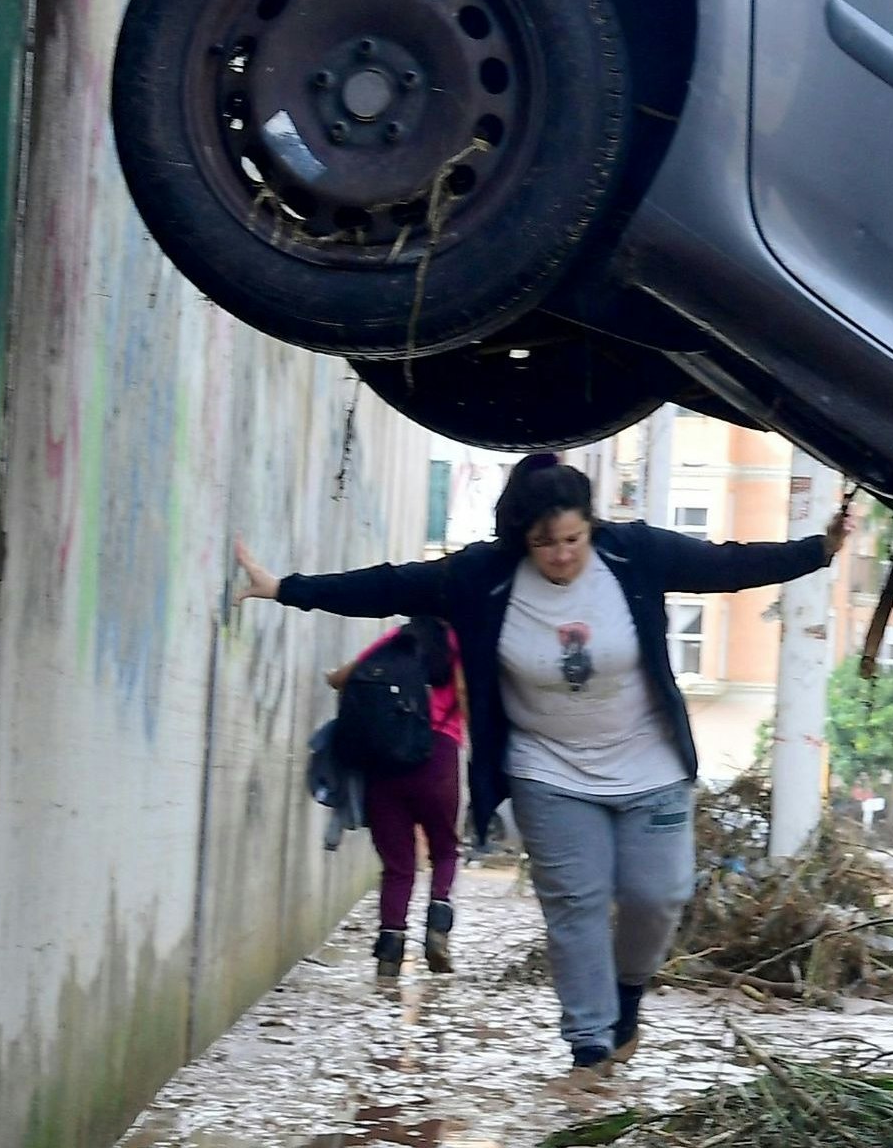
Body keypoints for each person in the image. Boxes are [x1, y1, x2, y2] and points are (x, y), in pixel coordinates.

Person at [237, 451, 849, 1077]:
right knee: (574, 904)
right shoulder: (482, 576)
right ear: (520, 539)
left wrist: (815, 550)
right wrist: (286, 588)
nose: (561, 554)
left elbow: (726, 562)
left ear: (592, 525)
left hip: (651, 764)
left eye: (572, 538)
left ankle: (627, 998)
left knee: (657, 896)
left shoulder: (632, 554)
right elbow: (390, 584)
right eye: (544, 543)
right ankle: (588, 1050)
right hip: (547, 768)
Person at [323, 617, 465, 982]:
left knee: (398, 866)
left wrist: (330, 676)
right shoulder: (465, 643)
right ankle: (437, 922)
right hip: (438, 756)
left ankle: (389, 952)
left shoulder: (399, 637)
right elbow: (468, 698)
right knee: (446, 849)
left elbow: (343, 679)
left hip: (384, 761)